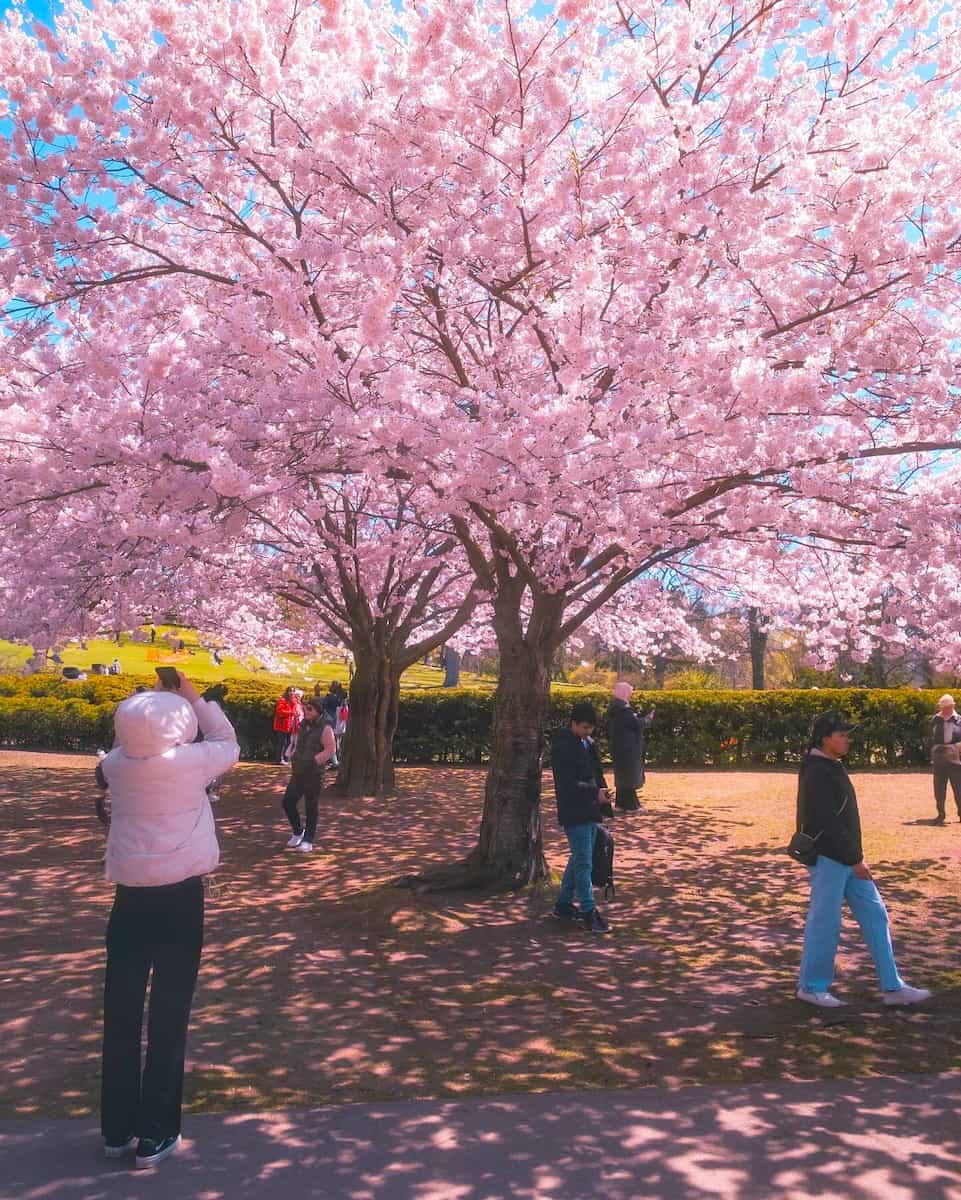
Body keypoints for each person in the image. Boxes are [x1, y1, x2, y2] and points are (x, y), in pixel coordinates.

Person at [98, 670, 239, 1169]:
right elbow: (227, 739)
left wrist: (148, 703)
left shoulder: (116, 766)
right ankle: (156, 1131)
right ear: (177, 724)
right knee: (169, 1013)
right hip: (180, 898)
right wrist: (192, 695)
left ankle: (117, 1129)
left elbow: (131, 735)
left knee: (121, 1011)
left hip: (129, 899)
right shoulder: (190, 762)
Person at [795, 712, 931, 1010]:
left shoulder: (830, 765)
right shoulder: (817, 770)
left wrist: (854, 857)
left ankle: (893, 987)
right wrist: (854, 859)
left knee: (875, 915)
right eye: (841, 735)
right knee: (825, 923)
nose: (847, 739)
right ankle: (811, 987)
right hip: (830, 858)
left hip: (847, 858)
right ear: (825, 739)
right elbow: (827, 822)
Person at [550, 701, 612, 933]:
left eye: (591, 729)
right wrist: (595, 793)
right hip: (575, 810)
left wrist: (601, 794)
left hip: (589, 808)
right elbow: (567, 784)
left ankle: (563, 904)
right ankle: (589, 911)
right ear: (573, 723)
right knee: (584, 862)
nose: (588, 732)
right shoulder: (564, 745)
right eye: (584, 727)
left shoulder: (585, 743)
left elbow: (594, 772)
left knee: (578, 859)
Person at [282, 696, 336, 854]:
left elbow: (330, 749)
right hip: (299, 771)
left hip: (314, 773)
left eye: (310, 709)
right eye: (305, 708)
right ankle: (298, 831)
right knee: (288, 802)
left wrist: (314, 761)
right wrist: (292, 754)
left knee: (311, 806)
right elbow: (297, 743)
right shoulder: (303, 724)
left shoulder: (325, 727)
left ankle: (308, 839)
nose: (306, 711)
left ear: (318, 710)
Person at [606, 681, 654, 813]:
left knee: (623, 775)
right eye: (629, 692)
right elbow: (635, 724)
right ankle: (631, 805)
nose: (630, 694)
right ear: (624, 692)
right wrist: (648, 719)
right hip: (628, 748)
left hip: (620, 747)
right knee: (628, 776)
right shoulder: (623, 709)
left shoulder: (615, 708)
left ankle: (621, 804)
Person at [929, 694, 961, 824]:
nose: (944, 710)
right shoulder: (936, 719)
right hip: (939, 757)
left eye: (947, 707)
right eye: (942, 708)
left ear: (952, 706)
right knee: (939, 787)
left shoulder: (959, 720)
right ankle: (940, 814)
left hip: (956, 758)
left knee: (958, 787)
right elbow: (930, 736)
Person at [272, 687, 298, 764]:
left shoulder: (293, 701)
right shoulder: (283, 700)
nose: (292, 693)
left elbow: (294, 710)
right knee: (282, 742)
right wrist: (290, 712)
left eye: (293, 691)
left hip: (290, 725)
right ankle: (279, 759)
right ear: (287, 692)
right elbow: (279, 711)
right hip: (282, 725)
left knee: (288, 742)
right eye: (290, 691)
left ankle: (284, 757)